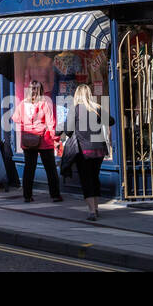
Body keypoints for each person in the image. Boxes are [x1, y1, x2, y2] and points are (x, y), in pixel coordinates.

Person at [63, 84, 112, 221]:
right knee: (95, 178)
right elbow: (111, 121)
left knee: (86, 180)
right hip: (99, 150)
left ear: (77, 95)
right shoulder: (97, 108)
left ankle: (91, 211)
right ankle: (96, 208)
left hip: (83, 151)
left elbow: (67, 130)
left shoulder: (75, 109)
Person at [15, 80, 61, 203]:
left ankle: (27, 196)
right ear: (41, 91)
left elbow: (15, 118)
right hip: (44, 140)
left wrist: (28, 125)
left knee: (29, 169)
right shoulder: (45, 104)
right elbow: (51, 123)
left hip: (28, 140)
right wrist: (55, 140)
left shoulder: (22, 104)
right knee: (50, 169)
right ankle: (55, 195)